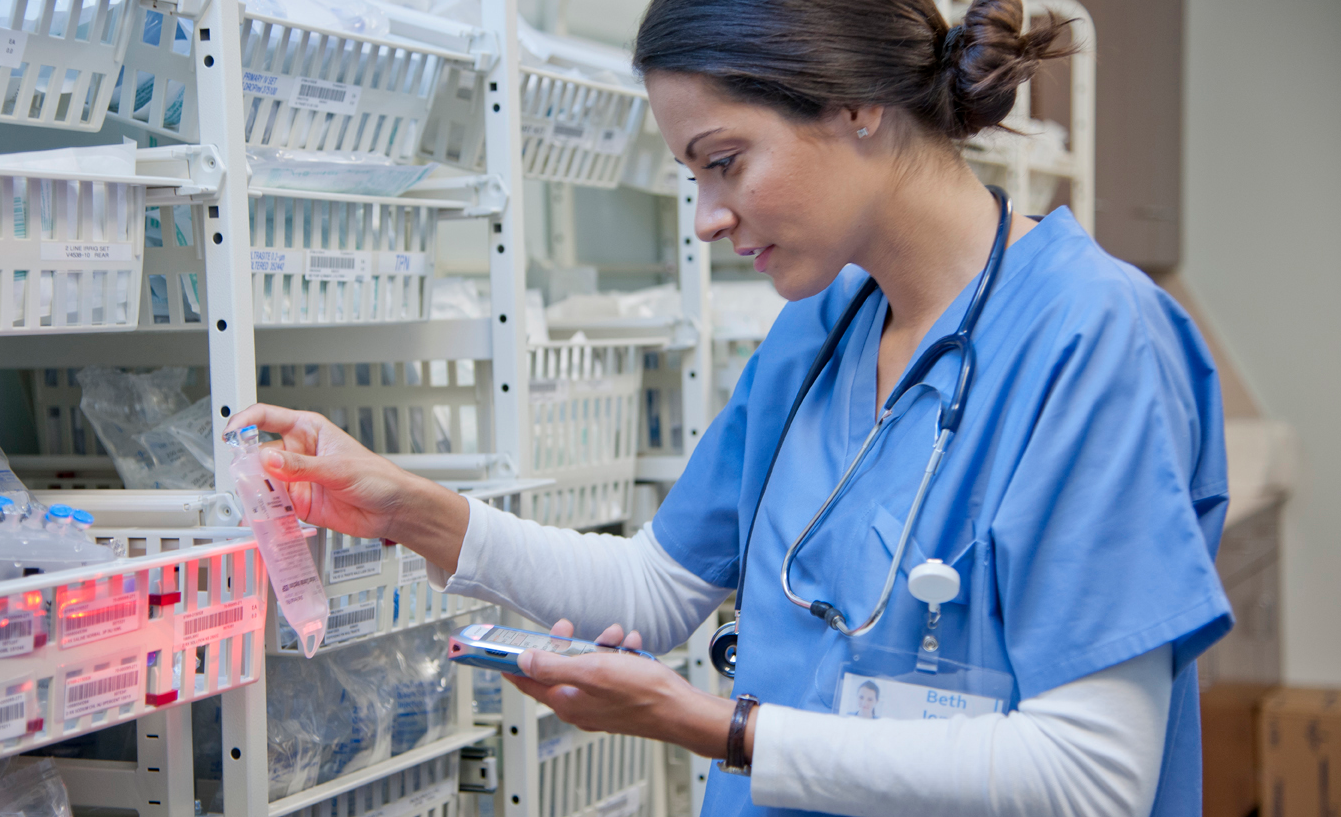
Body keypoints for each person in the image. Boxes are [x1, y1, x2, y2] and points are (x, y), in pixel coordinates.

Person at [226, 0, 1234, 813]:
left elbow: (1089, 778)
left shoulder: (1090, 339)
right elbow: (659, 587)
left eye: (725, 160)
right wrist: (404, 507)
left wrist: (721, 729)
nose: (708, 218)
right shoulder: (825, 324)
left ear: (854, 106)